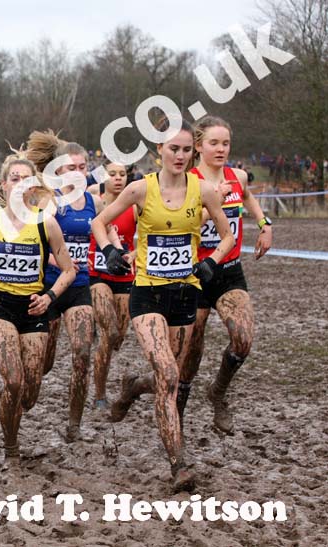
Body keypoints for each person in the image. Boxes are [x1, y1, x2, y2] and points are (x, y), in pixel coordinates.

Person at [92, 118, 235, 492]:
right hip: (148, 295)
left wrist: (211, 261)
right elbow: (99, 221)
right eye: (174, 148)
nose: (181, 156)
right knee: (170, 378)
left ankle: (131, 388)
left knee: (163, 378)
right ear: (159, 150)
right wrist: (109, 251)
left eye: (187, 150)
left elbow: (228, 235)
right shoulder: (141, 189)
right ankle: (179, 466)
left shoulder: (204, 191)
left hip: (184, 294)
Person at [0, 155, 75, 460]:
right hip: (0, 308)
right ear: (3, 185)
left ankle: (7, 402)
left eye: (26, 179)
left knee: (29, 393)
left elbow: (69, 270)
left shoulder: (46, 224)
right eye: (14, 178)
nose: (20, 184)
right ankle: (11, 445)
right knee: (13, 380)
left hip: (35, 309)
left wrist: (49, 297)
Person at [180, 116, 273, 433]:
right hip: (194, 275)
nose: (221, 149)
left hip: (229, 271)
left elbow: (248, 198)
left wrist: (264, 225)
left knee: (243, 339)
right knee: (190, 353)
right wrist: (211, 205)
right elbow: (180, 224)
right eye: (214, 143)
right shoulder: (187, 180)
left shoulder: (237, 177)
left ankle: (218, 394)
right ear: (198, 145)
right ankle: (177, 412)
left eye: (225, 143)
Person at [25, 133, 105, 442]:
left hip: (80, 285)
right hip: (48, 287)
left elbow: (105, 230)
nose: (78, 172)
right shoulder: (49, 202)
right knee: (42, 365)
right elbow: (35, 241)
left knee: (82, 352)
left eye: (83, 167)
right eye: (71, 167)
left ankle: (74, 423)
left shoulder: (93, 202)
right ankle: (27, 392)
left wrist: (115, 249)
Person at [86, 161, 136, 409]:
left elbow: (149, 236)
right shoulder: (96, 199)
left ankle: (100, 380)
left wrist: (134, 255)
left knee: (118, 337)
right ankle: (99, 394)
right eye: (112, 174)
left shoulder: (135, 205)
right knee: (110, 332)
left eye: (122, 174)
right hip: (98, 273)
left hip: (125, 276)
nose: (118, 178)